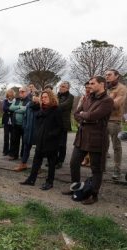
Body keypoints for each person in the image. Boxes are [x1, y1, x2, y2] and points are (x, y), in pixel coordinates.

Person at [62, 76, 113, 205]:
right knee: (74, 163)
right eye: (89, 83)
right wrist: (85, 117)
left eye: (92, 83)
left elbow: (93, 115)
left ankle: (94, 195)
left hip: (97, 138)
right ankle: (76, 188)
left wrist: (84, 116)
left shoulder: (107, 100)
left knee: (96, 168)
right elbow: (76, 113)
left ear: (102, 84)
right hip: (82, 136)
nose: (89, 85)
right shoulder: (88, 97)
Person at [19, 90, 63, 190]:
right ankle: (31, 179)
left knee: (51, 163)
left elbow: (60, 127)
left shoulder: (56, 109)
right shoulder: (41, 109)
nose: (43, 99)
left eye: (46, 97)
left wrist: (50, 135)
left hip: (51, 141)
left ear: (51, 97)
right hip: (41, 140)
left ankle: (49, 182)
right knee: (36, 160)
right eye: (42, 97)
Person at [105, 69, 127, 180]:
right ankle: (101, 167)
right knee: (103, 144)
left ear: (116, 76)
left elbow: (116, 105)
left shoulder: (122, 88)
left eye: (109, 75)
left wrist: (106, 100)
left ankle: (117, 170)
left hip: (115, 120)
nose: (107, 77)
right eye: (106, 75)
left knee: (116, 147)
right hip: (103, 120)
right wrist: (110, 97)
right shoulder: (106, 88)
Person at [14, 92, 40, 172]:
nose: (35, 97)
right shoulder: (29, 105)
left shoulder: (42, 107)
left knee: (38, 150)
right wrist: (25, 126)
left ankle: (37, 167)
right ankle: (23, 164)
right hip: (28, 130)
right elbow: (25, 117)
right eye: (34, 96)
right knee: (26, 148)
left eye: (37, 96)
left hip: (38, 131)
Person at [54, 81, 74, 169]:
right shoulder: (56, 95)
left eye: (63, 87)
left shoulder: (70, 97)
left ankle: (60, 161)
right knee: (54, 143)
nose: (61, 88)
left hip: (63, 123)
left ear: (68, 88)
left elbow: (63, 106)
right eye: (60, 86)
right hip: (55, 122)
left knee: (62, 144)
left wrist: (54, 104)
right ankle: (53, 160)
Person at [8, 86, 30, 160]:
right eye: (20, 92)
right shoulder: (16, 100)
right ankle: (14, 155)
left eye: (22, 92)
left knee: (24, 141)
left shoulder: (29, 100)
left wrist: (16, 108)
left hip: (24, 124)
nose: (20, 93)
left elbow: (26, 110)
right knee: (14, 140)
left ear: (27, 92)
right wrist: (20, 107)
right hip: (15, 124)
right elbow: (11, 108)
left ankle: (23, 156)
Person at [2, 89, 15, 156]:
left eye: (11, 94)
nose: (10, 95)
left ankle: (11, 151)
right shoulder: (5, 100)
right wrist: (11, 109)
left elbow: (15, 109)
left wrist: (9, 109)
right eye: (8, 94)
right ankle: (5, 151)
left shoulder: (15, 101)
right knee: (6, 137)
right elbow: (4, 108)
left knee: (12, 137)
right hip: (6, 121)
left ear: (13, 95)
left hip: (13, 121)